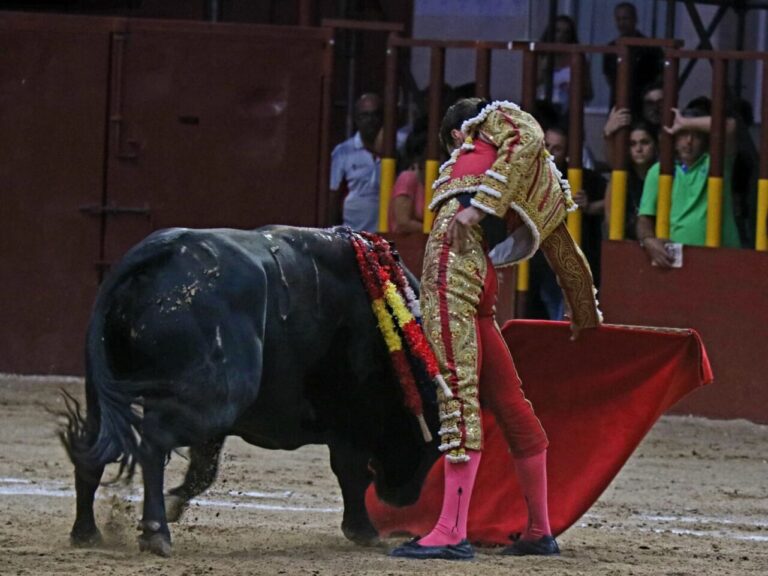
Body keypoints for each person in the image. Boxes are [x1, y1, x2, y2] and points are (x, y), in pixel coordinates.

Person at [390, 98, 601, 561]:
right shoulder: (500, 159)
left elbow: (527, 136)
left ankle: (450, 530)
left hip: (453, 273)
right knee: (509, 402)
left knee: (456, 393)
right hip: (476, 273)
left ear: (454, 137)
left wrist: (476, 209)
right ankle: (539, 529)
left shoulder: (488, 129)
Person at [636, 99, 741, 266]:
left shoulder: (716, 163)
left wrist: (684, 122)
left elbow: (730, 126)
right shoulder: (660, 171)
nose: (689, 141)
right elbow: (644, 218)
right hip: (677, 261)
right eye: (683, 134)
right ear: (675, 139)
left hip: (722, 257)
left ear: (706, 140)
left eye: (696, 135)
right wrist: (648, 240)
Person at [329, 93, 384, 232]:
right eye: (365, 115)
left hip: (384, 234)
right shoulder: (343, 152)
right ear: (356, 119)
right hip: (352, 233)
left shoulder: (396, 149)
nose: (371, 120)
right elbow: (333, 196)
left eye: (375, 114)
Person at [602, 2, 663, 121]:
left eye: (625, 18)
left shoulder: (650, 47)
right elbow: (609, 78)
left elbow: (660, 77)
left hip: (643, 108)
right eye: (618, 19)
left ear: (635, 19)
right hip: (618, 106)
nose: (621, 23)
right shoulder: (611, 49)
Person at [604, 121, 658, 241]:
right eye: (632, 144)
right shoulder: (620, 178)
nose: (638, 149)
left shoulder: (664, 178)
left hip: (659, 245)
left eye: (645, 142)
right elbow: (610, 219)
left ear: (656, 145)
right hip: (626, 244)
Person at [536, 15, 594, 120]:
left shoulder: (578, 59)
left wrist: (574, 88)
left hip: (569, 114)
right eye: (557, 31)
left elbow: (589, 93)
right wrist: (544, 69)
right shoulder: (541, 55)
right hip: (542, 111)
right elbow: (531, 85)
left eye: (566, 32)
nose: (561, 36)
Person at [387, 126, 427, 233]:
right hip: (406, 246)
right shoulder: (408, 178)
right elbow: (402, 223)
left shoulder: (429, 179)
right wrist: (436, 233)